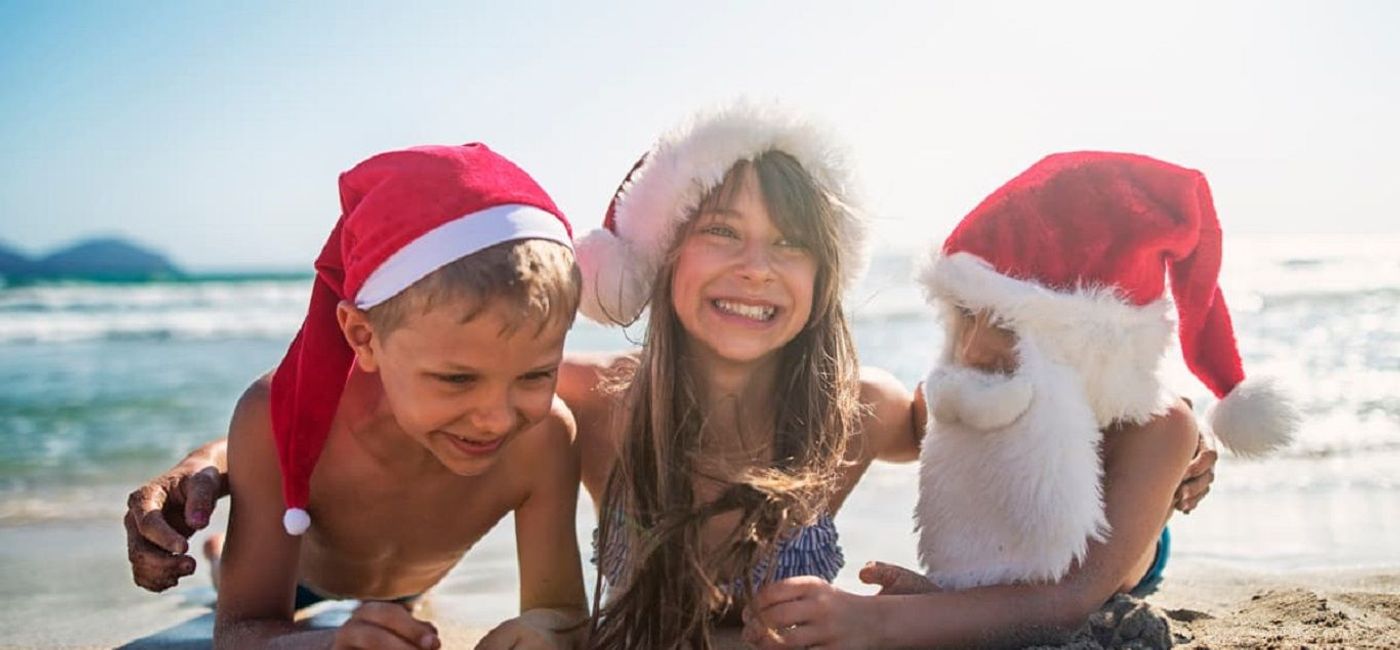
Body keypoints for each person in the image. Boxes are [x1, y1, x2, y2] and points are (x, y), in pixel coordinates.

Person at [124, 112, 1220, 647]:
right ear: (656, 259)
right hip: (307, 583)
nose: (753, 266)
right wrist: (216, 460)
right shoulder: (587, 406)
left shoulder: (858, 413)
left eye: (786, 244)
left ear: (823, 272)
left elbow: (1016, 391)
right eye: (720, 233)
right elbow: (401, 406)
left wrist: (1167, 425)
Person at [740, 151, 1296, 649]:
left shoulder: (1160, 430)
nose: (974, 347)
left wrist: (875, 621)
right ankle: (766, 559)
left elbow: (1070, 598)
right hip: (998, 558)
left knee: (1157, 444)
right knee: (876, 396)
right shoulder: (965, 387)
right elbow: (899, 423)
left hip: (1106, 564)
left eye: (1007, 322)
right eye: (963, 314)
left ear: (1093, 340)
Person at [194, 143, 588, 649]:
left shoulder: (546, 437)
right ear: (363, 337)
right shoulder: (275, 418)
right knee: (230, 570)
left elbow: (562, 611)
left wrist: (546, 631)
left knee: (398, 613)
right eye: (457, 379)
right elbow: (240, 631)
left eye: (536, 375)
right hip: (300, 573)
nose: (495, 419)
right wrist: (330, 644)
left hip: (413, 581)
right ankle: (219, 552)